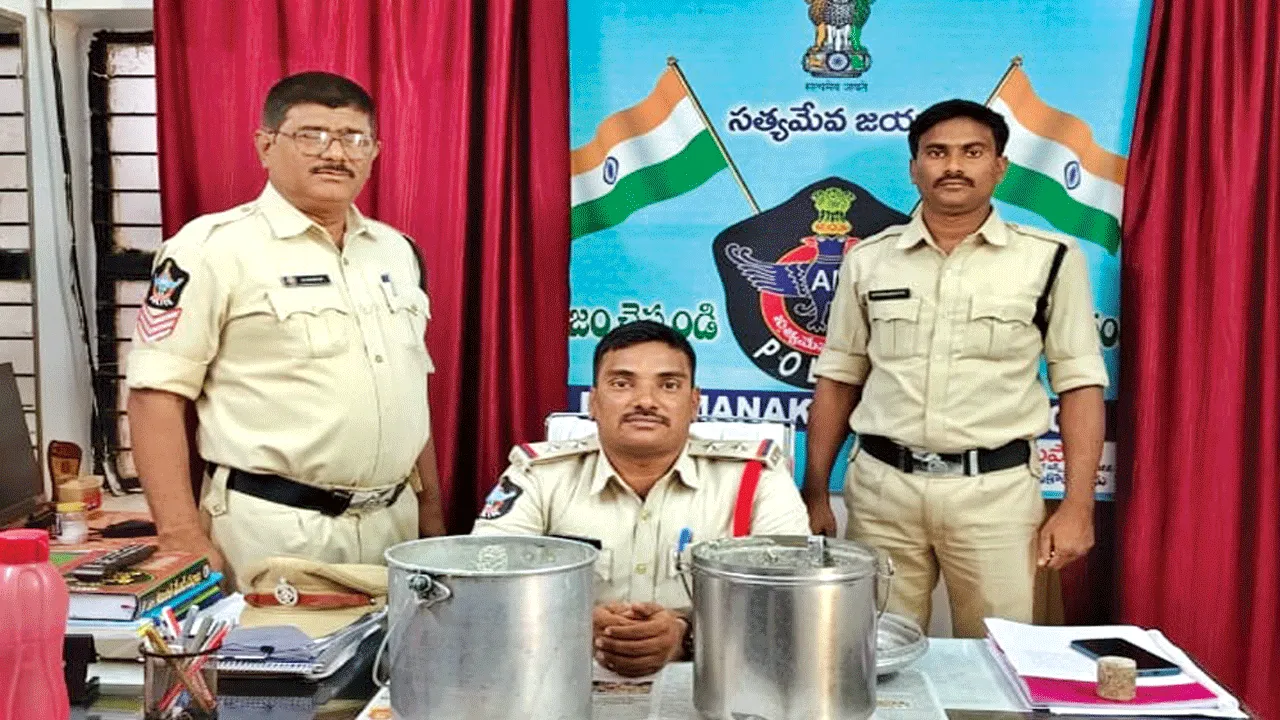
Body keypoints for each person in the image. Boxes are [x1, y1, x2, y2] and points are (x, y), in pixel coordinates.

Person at [801, 99, 1107, 638]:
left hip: (996, 496)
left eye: (973, 152)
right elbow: (839, 378)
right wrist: (816, 491)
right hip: (883, 493)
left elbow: (1079, 383)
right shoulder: (868, 259)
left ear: (1000, 166)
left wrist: (1077, 505)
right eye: (937, 153)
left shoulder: (1051, 258)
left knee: (1000, 652)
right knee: (872, 651)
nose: (954, 167)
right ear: (914, 167)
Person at [126, 72, 445, 587]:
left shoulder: (396, 252)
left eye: (354, 138)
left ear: (374, 151)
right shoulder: (211, 249)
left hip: (394, 526)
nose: (335, 153)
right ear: (265, 145)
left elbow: (409, 390)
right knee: (277, 646)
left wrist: (431, 513)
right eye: (312, 135)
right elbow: (154, 396)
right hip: (273, 532)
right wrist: (180, 533)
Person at [472, 320, 810, 676]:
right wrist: (575, 623)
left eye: (669, 385)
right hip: (560, 676)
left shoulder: (757, 479)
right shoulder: (538, 476)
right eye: (622, 383)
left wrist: (686, 634)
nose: (646, 401)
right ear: (593, 402)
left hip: (713, 679)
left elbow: (791, 601)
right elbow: (486, 582)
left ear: (694, 403)